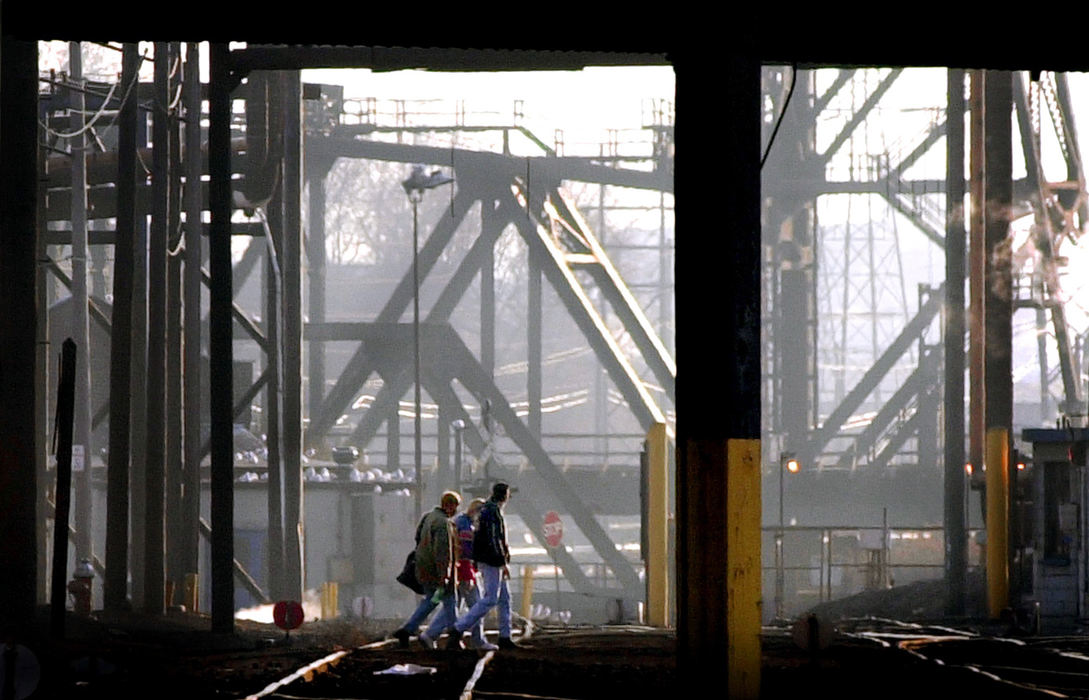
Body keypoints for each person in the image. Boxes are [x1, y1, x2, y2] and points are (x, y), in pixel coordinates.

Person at [449, 482, 518, 650]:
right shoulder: (493, 512)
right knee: (491, 599)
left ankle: (505, 636)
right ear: (505, 496)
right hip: (492, 561)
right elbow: (495, 539)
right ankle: (458, 629)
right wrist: (503, 563)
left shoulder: (485, 510)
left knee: (504, 598)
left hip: (486, 559)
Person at [391, 490, 463, 649]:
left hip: (424, 568)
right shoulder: (443, 523)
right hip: (438, 573)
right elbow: (443, 552)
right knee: (450, 601)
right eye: (456, 506)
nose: (456, 510)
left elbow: (418, 539)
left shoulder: (428, 517)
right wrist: (445, 576)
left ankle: (407, 629)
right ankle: (454, 636)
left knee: (432, 600)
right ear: (450, 506)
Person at [454, 498, 493, 650]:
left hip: (459, 571)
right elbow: (465, 553)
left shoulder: (460, 522)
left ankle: (434, 635)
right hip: (465, 571)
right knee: (477, 606)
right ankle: (478, 640)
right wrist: (469, 574)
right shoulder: (465, 526)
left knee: (453, 608)